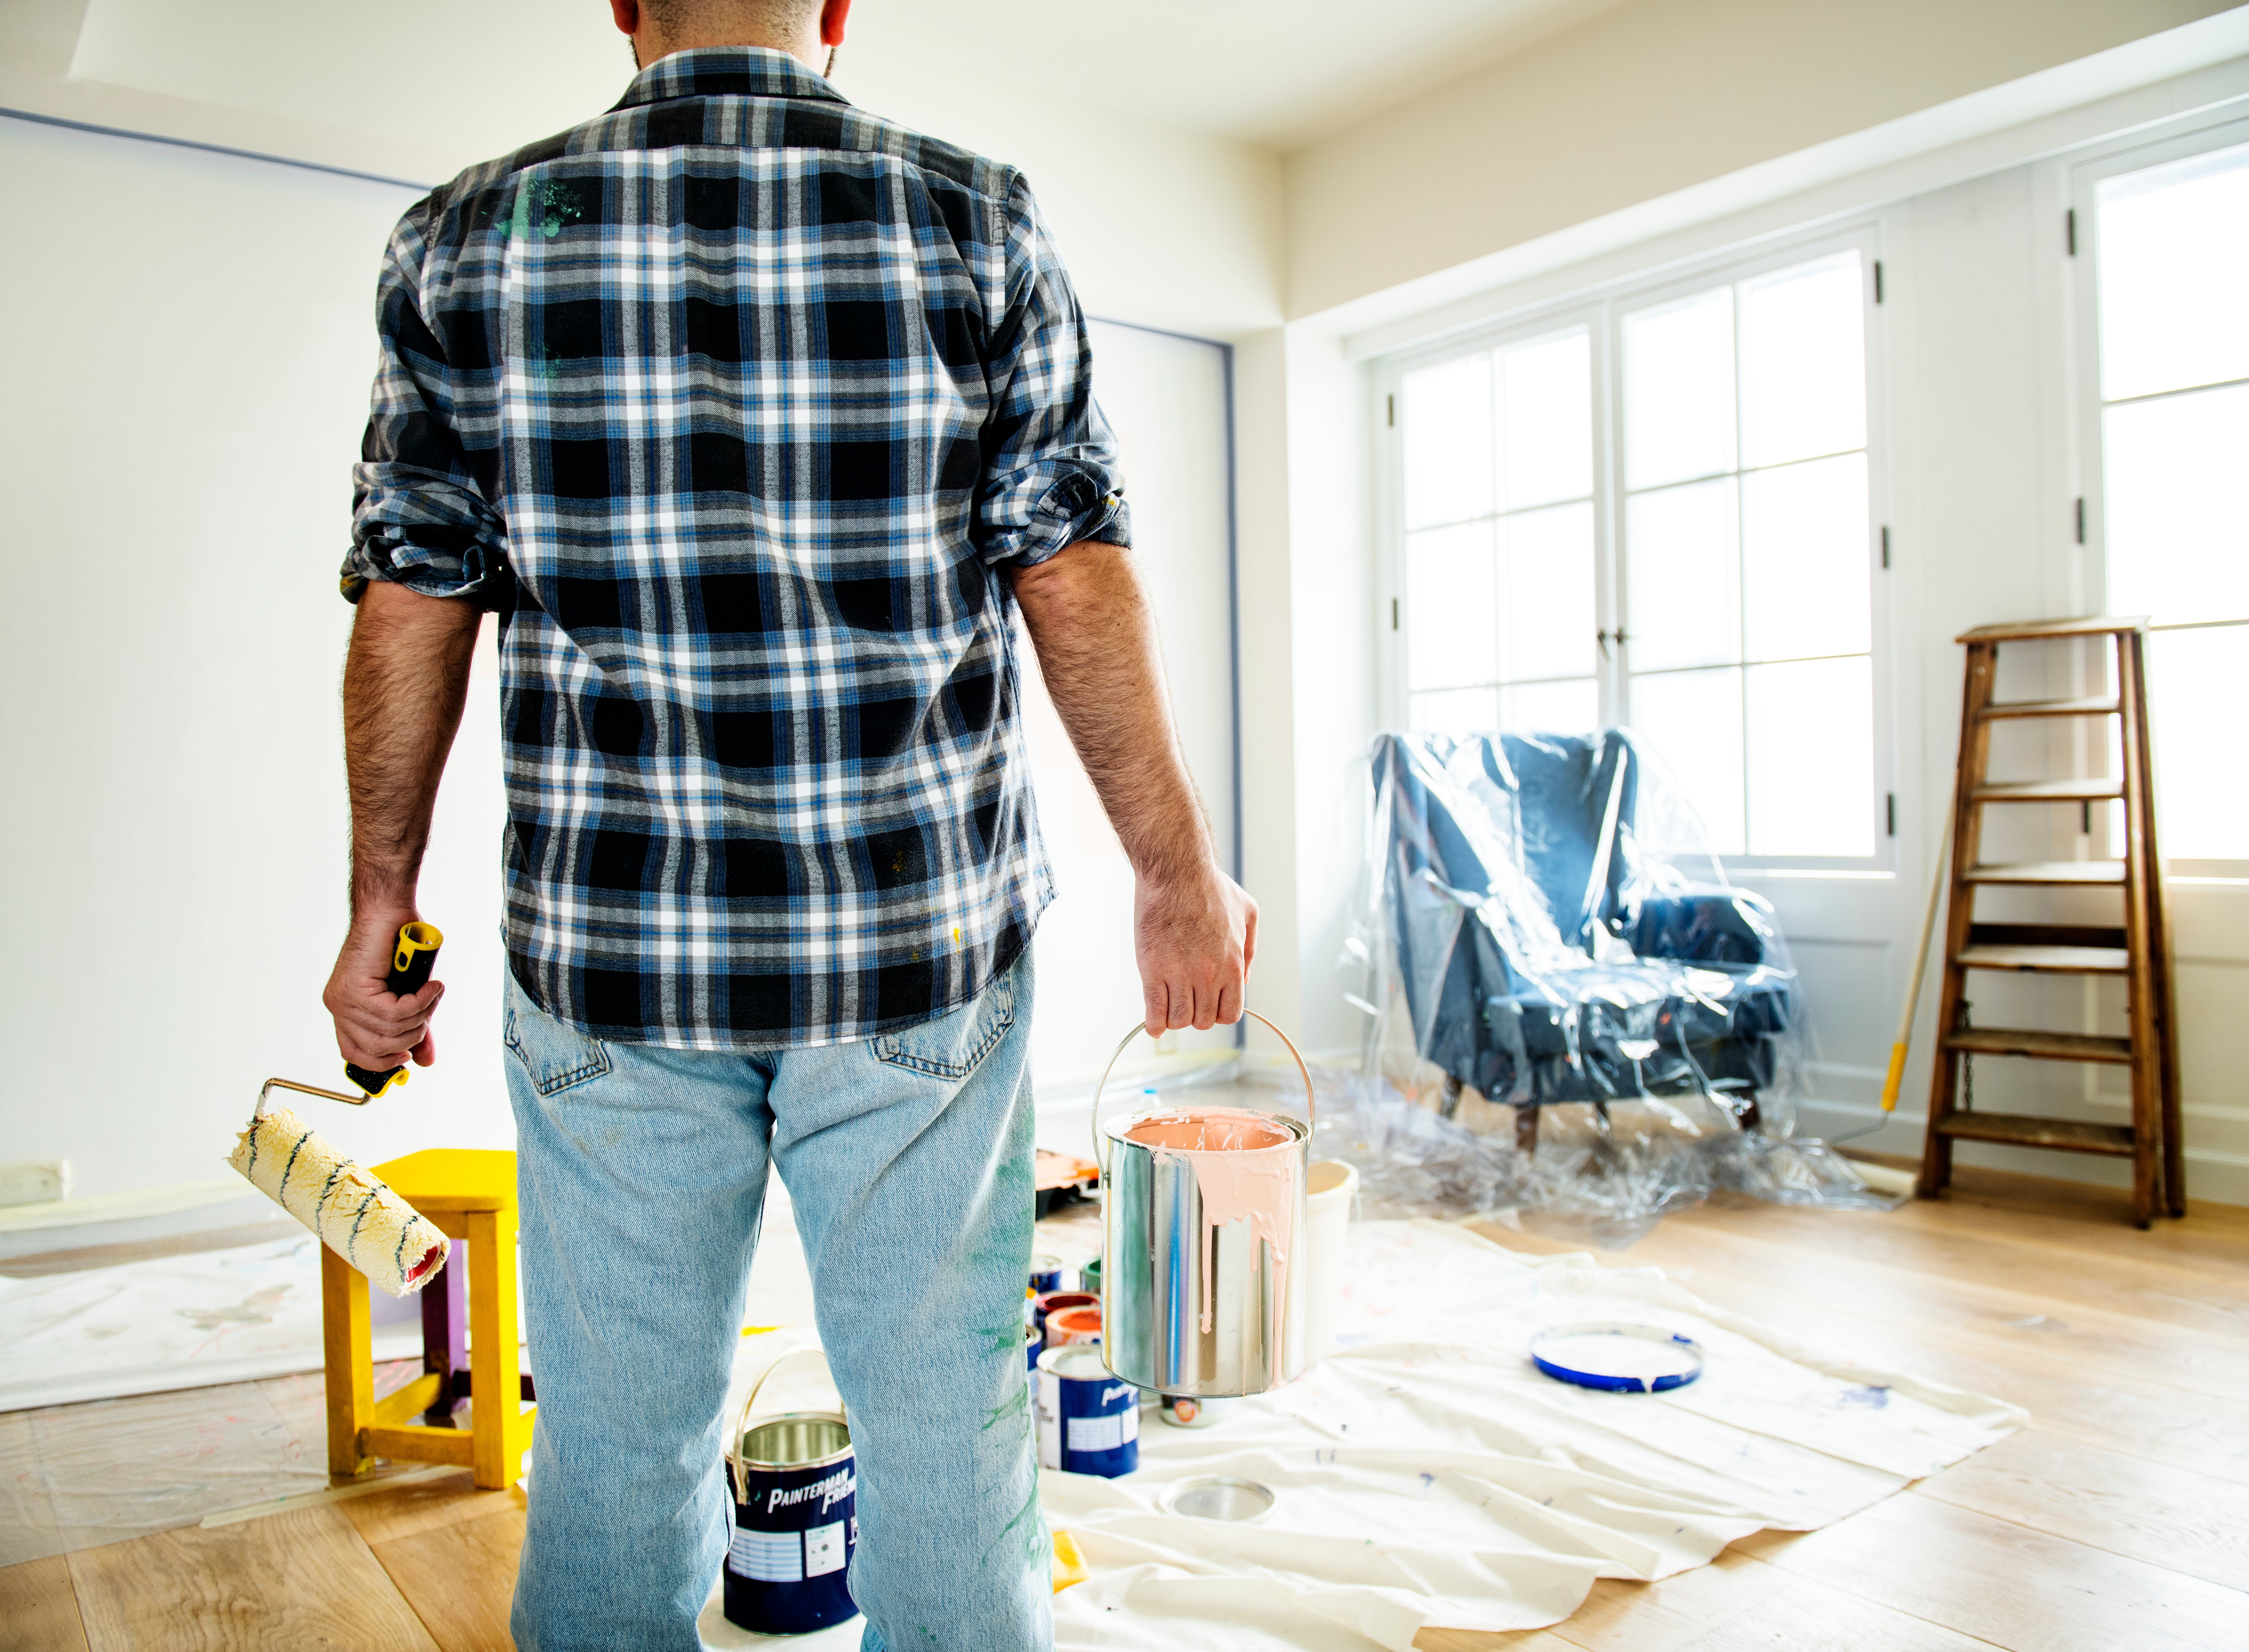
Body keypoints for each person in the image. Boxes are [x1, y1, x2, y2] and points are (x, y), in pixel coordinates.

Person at [319, 1, 1255, 1647]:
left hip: (612, 959)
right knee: (947, 1444)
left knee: (613, 1442)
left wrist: (373, 907)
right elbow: (1070, 564)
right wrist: (1175, 874)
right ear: (834, 8)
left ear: (621, 2)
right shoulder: (968, 214)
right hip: (911, 952)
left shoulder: (462, 239)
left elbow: (414, 594)